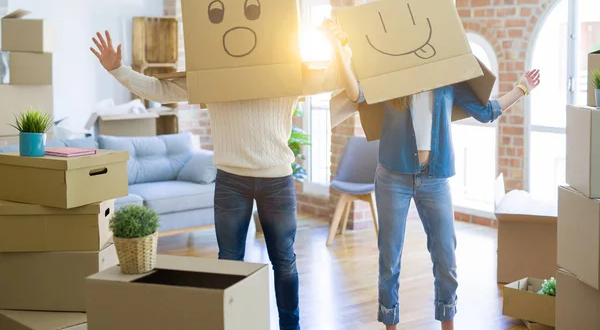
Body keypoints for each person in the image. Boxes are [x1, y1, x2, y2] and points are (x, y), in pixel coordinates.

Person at [320, 20, 541, 330]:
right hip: (393, 177)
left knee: (445, 258)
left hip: (435, 179)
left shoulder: (449, 82)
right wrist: (340, 50)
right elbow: (356, 93)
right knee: (390, 260)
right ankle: (390, 325)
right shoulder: (392, 80)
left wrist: (521, 89)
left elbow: (487, 112)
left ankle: (447, 326)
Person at [90, 31, 306, 330]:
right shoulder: (213, 78)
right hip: (232, 181)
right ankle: (233, 324)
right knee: (229, 261)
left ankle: (290, 327)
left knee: (284, 260)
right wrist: (117, 68)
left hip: (276, 181)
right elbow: (159, 90)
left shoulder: (287, 75)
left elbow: (336, 82)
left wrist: (339, 48)